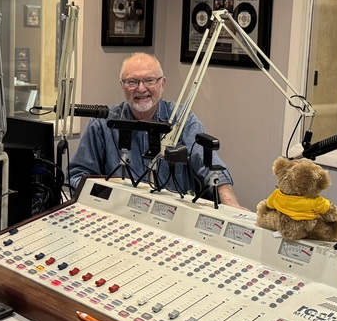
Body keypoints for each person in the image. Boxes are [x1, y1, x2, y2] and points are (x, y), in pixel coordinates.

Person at [68, 53, 240, 206]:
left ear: (162, 84)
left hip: (173, 215)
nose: (141, 88)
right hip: (119, 212)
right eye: (132, 82)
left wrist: (231, 205)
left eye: (149, 80)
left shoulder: (182, 118)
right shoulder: (102, 123)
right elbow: (77, 176)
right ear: (122, 85)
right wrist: (112, 192)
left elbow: (210, 167)